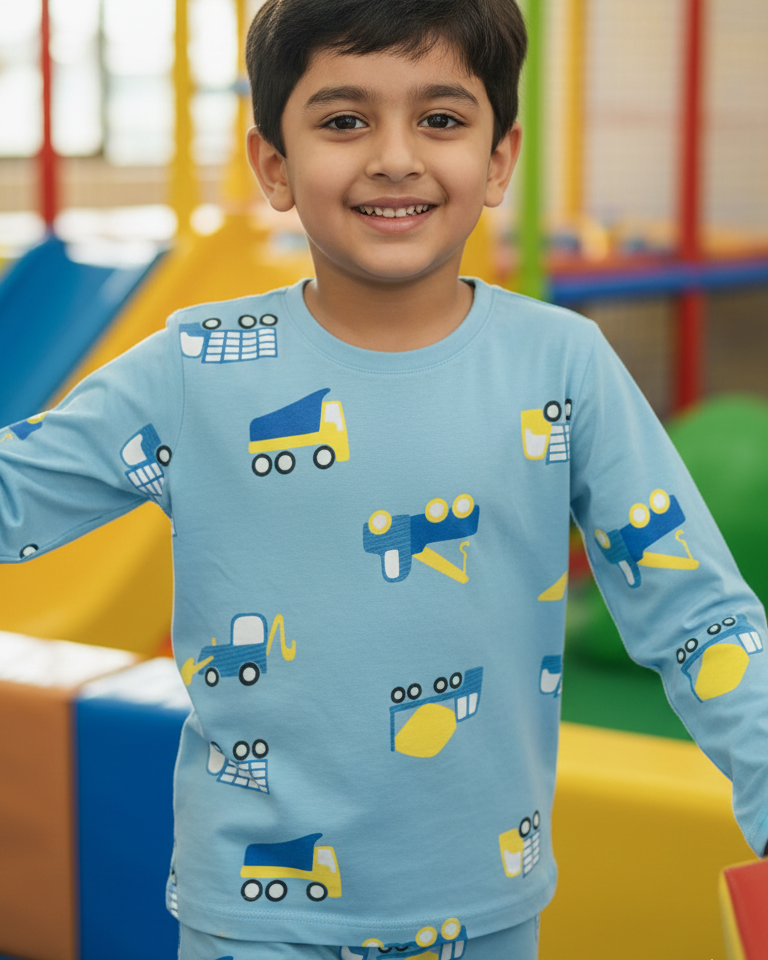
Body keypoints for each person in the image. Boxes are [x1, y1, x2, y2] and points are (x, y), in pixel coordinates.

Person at [1, 0, 766, 957]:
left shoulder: (563, 366)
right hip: (255, 918)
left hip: (486, 905)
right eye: (343, 120)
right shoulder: (196, 366)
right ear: (274, 164)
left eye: (441, 119)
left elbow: (697, 613)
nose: (395, 156)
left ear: (498, 158)